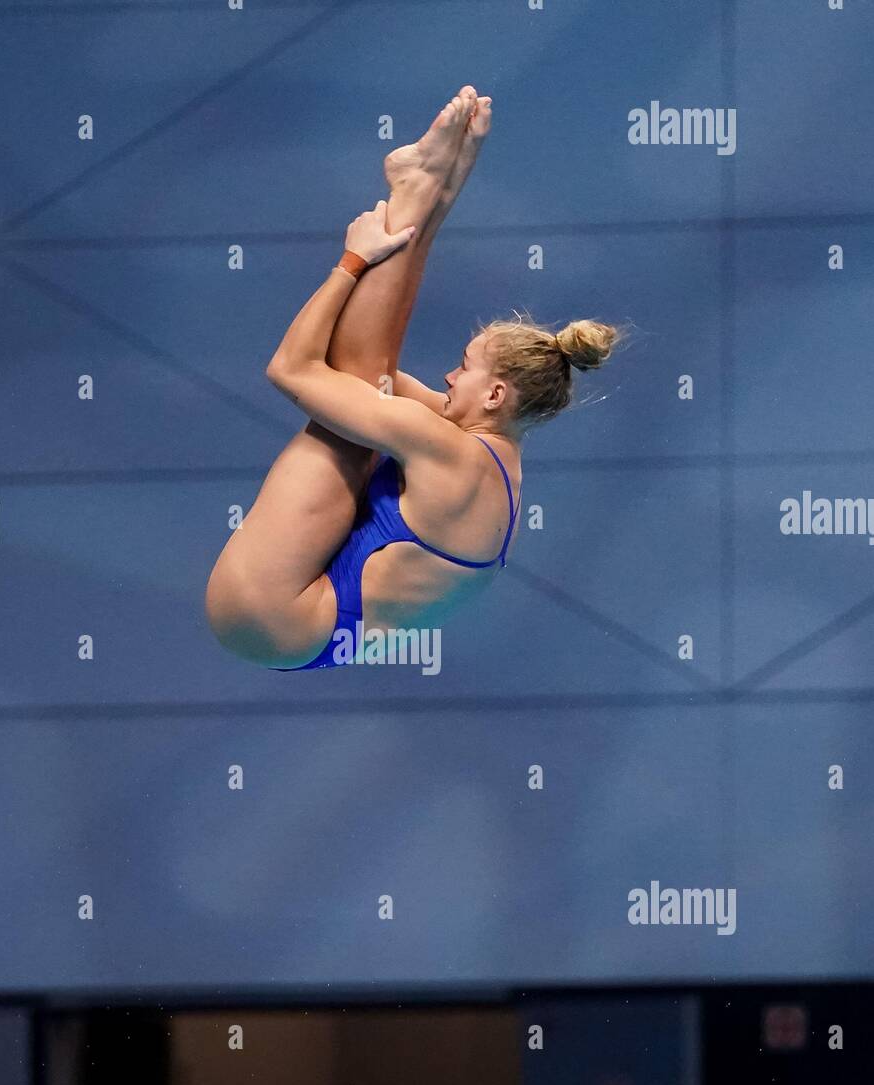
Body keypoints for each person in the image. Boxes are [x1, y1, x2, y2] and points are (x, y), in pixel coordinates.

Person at [205, 87, 619, 669]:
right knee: (369, 386)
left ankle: (418, 192)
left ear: (496, 394)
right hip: (308, 638)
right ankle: (424, 190)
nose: (448, 375)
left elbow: (292, 368)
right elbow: (382, 371)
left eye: (465, 368)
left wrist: (351, 262)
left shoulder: (445, 449)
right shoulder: (494, 464)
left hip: (271, 613)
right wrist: (443, 195)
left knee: (352, 414)